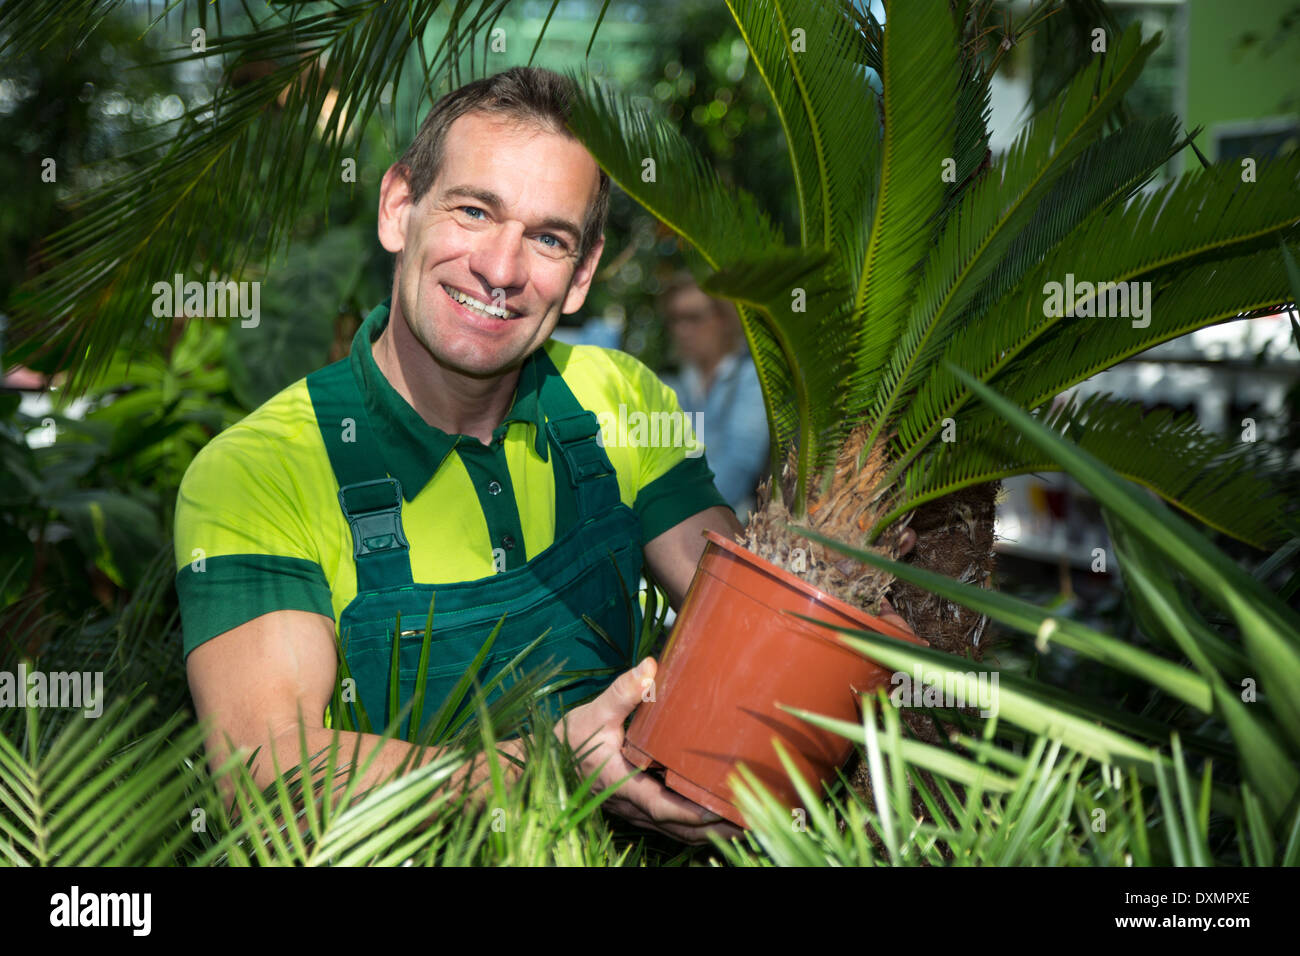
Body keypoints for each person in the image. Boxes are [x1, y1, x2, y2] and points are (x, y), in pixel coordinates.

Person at [175, 67, 745, 844]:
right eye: (474, 211)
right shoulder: (258, 471)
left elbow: (737, 623)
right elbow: (271, 779)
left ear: (580, 276)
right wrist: (555, 762)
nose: (502, 271)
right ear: (398, 208)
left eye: (549, 239)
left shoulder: (616, 397)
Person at [659, 273, 769, 521]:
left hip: (733, 528)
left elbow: (738, 466)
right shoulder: (674, 383)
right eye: (674, 319)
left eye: (693, 318)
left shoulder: (751, 377)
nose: (682, 330)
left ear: (724, 319)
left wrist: (674, 512)